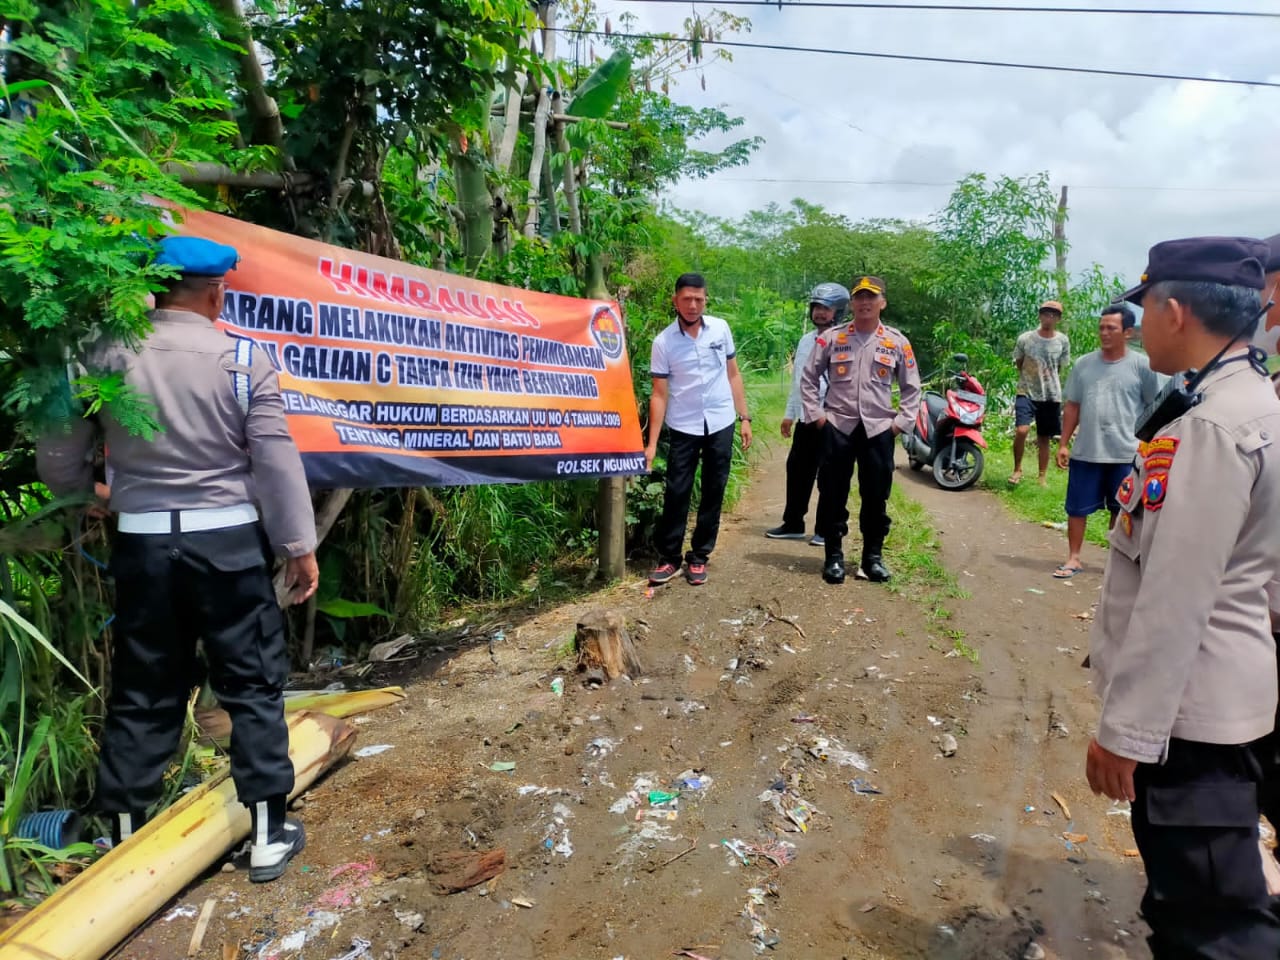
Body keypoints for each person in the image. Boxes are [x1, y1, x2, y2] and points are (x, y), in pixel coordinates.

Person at [37, 236, 319, 883]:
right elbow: (276, 467)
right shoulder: (243, 360)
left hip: (142, 547)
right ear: (215, 293)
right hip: (227, 548)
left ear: (154, 291)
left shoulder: (100, 357)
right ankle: (270, 835)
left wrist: (94, 495)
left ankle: (125, 834)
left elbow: (58, 459)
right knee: (250, 682)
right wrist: (298, 548)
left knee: (144, 684)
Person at [1085, 236, 1280, 955]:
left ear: (1173, 309)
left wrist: (1124, 733)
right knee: (1198, 899)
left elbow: (1177, 596)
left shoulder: (1213, 426)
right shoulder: (1253, 399)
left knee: (1213, 926)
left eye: (1143, 313)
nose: (1135, 329)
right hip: (1227, 697)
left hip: (1189, 722)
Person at [801, 275, 921, 585]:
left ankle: (872, 557)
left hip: (879, 430)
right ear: (852, 303)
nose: (865, 302)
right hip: (838, 426)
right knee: (832, 494)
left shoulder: (897, 342)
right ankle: (834, 556)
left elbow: (912, 389)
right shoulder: (832, 338)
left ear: (883, 302)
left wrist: (899, 425)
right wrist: (817, 415)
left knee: (875, 495)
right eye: (859, 297)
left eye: (872, 297)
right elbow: (808, 378)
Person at [644, 272, 752, 587]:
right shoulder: (663, 342)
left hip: (720, 421)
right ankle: (669, 558)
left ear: (706, 300)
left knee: (714, 490)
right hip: (684, 425)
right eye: (687, 299)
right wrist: (651, 445)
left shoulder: (720, 329)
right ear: (675, 300)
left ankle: (699, 557)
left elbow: (733, 374)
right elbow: (659, 394)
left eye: (699, 299)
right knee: (677, 490)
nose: (693, 305)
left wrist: (744, 417)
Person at [1052, 304, 1163, 579]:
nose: (1104, 333)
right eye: (1101, 327)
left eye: (1111, 328)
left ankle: (1114, 563)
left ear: (1127, 332)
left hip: (1126, 453)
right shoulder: (1084, 364)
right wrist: (1064, 443)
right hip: (1087, 450)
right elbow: (1072, 407)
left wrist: (1151, 448)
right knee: (1076, 508)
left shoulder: (1142, 366)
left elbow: (1155, 407)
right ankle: (1074, 558)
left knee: (1122, 509)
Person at [766, 282, 850, 546]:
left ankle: (826, 530)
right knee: (797, 470)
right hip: (806, 418)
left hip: (831, 419)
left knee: (829, 477)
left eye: (826, 309)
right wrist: (790, 414)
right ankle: (793, 523)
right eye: (816, 308)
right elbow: (799, 382)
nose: (820, 313)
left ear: (839, 311)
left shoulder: (848, 340)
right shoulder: (806, 341)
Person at [1011, 300, 1071, 486]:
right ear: (1040, 315)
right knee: (1022, 430)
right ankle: (1017, 468)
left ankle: (1042, 476)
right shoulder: (1025, 338)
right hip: (1026, 391)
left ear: (1058, 319)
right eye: (1046, 313)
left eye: (1054, 314)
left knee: (1044, 437)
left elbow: (1059, 367)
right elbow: (1019, 362)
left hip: (1050, 395)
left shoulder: (1062, 341)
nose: (1049, 317)